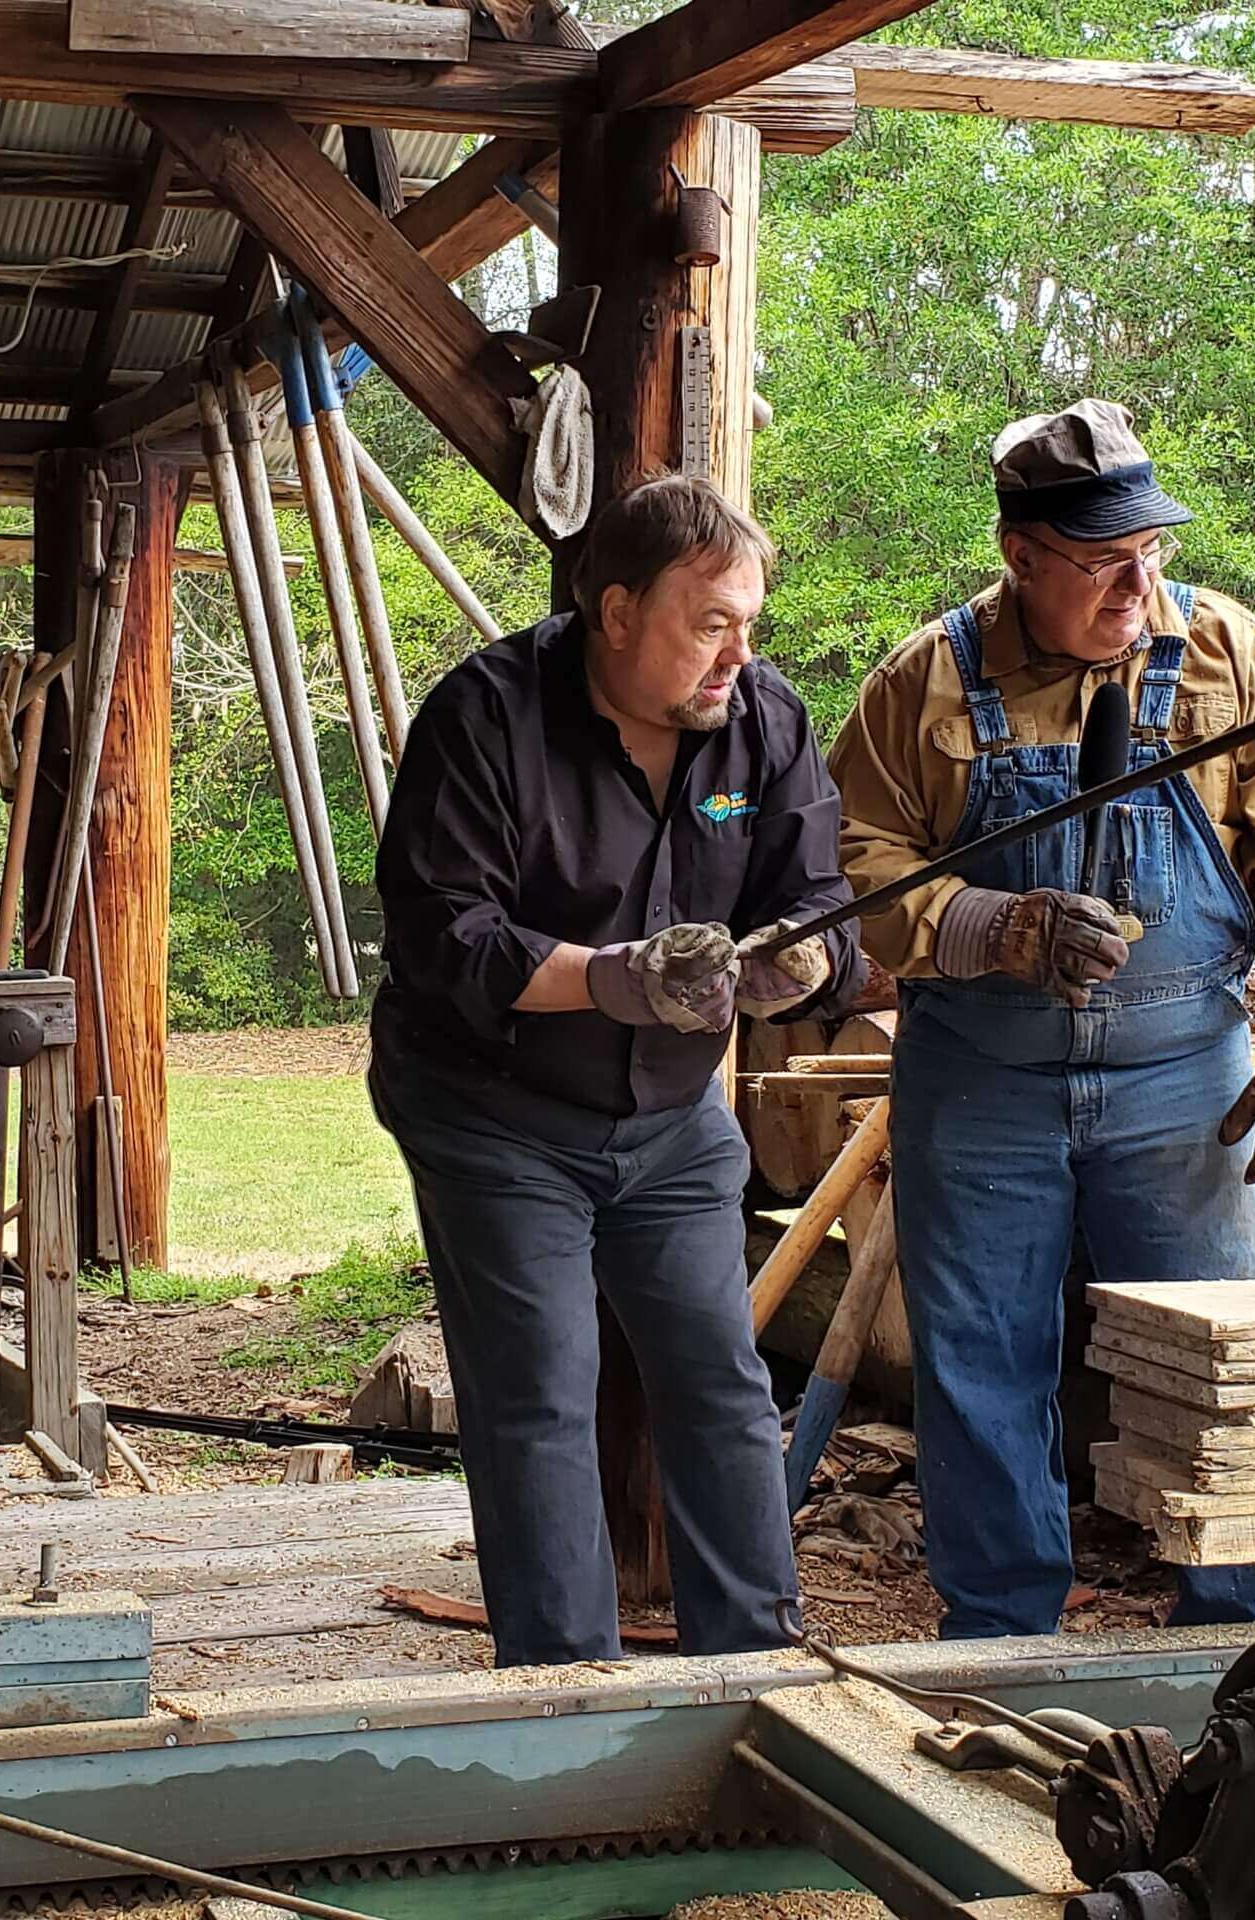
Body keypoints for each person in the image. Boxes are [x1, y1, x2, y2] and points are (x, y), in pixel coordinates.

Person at [826, 399, 1255, 1638]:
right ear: (1019, 557)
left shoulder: (1227, 657)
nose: (1137, 582)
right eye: (1099, 561)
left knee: (1222, 1359)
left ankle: (1240, 1633)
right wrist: (995, 930)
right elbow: (851, 865)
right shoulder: (924, 682)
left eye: (1150, 552)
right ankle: (1002, 1638)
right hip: (981, 1080)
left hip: (1185, 1080)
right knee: (978, 1371)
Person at [368, 474, 864, 1667]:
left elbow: (818, 903)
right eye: (710, 624)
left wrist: (797, 970)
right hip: (493, 1111)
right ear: (617, 611)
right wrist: (611, 976)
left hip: (670, 1118)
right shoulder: (484, 717)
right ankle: (564, 1697)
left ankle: (757, 1676)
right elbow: (446, 937)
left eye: (750, 624)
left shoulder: (763, 721)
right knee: (540, 1393)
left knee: (719, 1381)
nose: (737, 654)